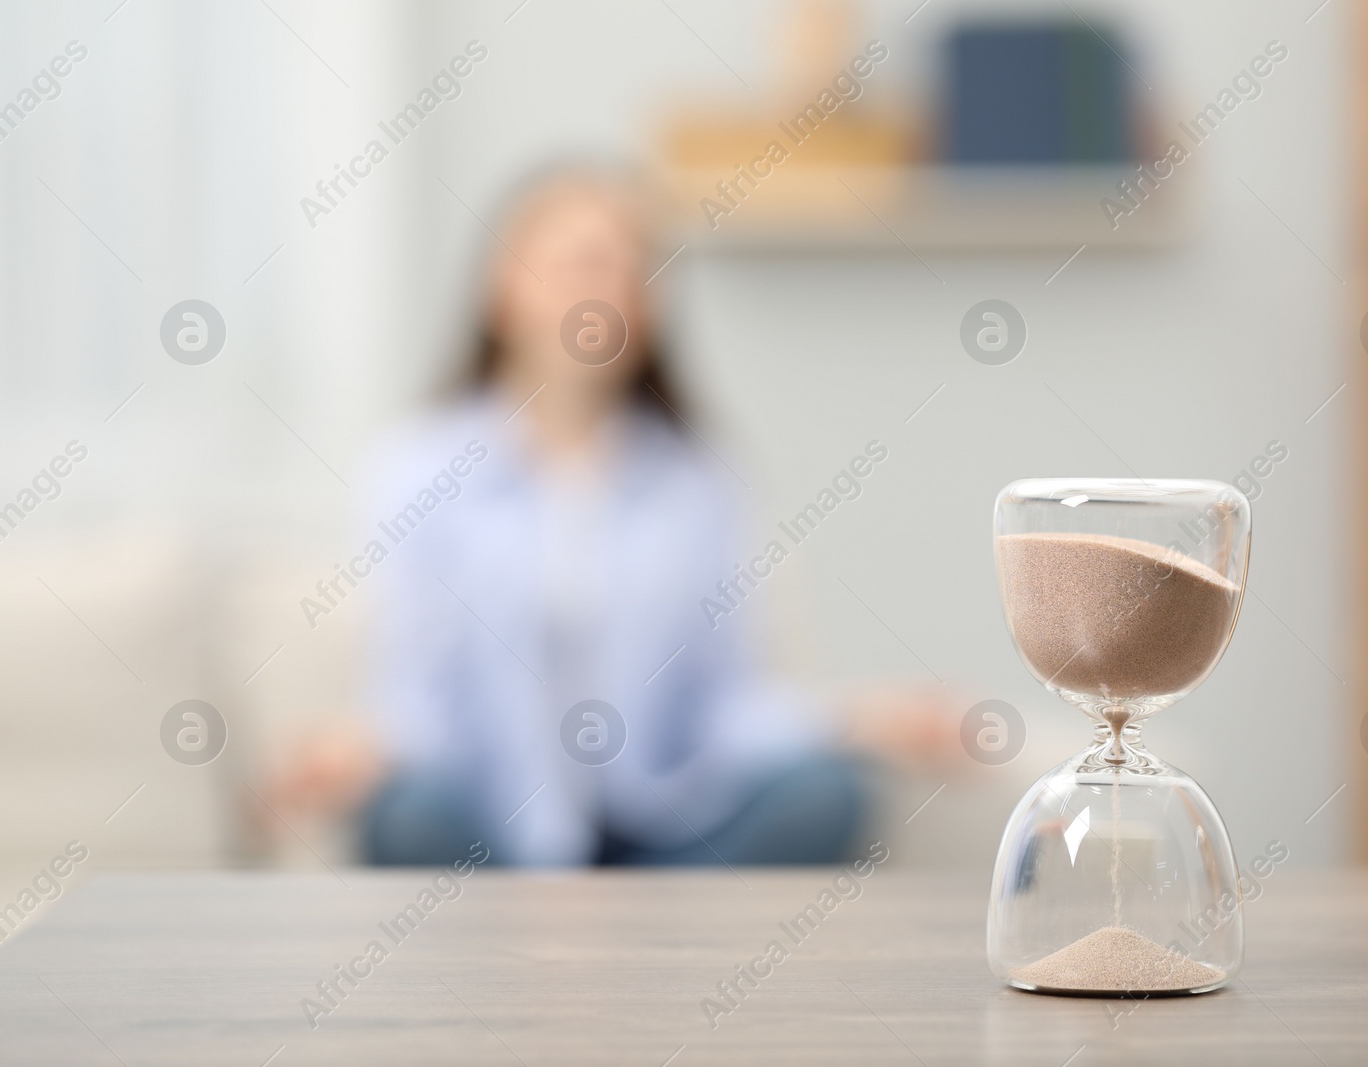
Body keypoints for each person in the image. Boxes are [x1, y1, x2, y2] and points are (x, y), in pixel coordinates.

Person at [313, 163, 957, 867]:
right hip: (491, 834)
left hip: (659, 830)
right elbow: (417, 695)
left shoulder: (699, 478)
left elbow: (727, 701)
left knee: (826, 794)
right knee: (404, 816)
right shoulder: (418, 466)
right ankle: (572, 934)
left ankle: (622, 936)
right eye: (580, 263)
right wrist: (364, 744)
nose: (606, 290)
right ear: (502, 289)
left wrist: (856, 718)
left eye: (631, 270)